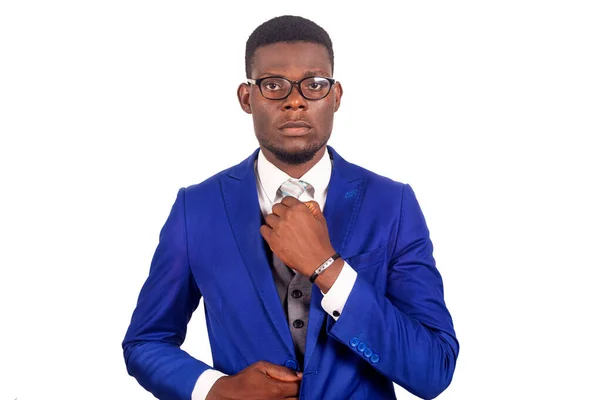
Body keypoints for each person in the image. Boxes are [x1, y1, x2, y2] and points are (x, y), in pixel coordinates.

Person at [122, 15, 459, 400]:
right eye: (274, 85)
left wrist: (327, 268)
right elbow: (145, 342)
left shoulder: (392, 204)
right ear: (247, 98)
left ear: (335, 96)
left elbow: (435, 368)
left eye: (314, 85)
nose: (295, 100)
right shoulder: (195, 208)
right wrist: (217, 389)